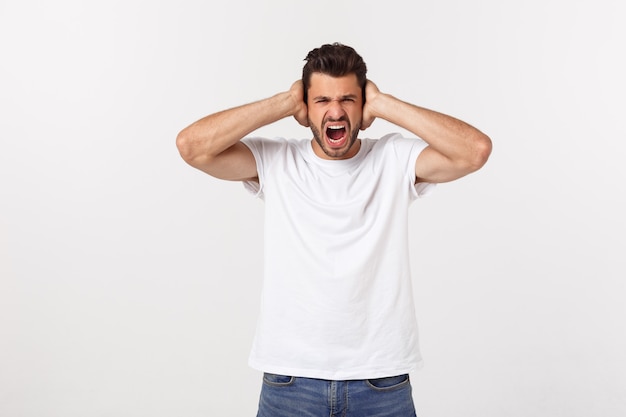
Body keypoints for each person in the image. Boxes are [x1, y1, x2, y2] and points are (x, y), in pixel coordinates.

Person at [176, 42, 492, 417]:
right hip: (290, 380)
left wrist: (386, 103)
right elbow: (191, 147)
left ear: (363, 106)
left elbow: (474, 151)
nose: (336, 111)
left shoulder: (393, 158)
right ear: (305, 108)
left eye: (348, 99)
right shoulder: (277, 161)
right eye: (322, 100)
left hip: (381, 381)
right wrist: (284, 101)